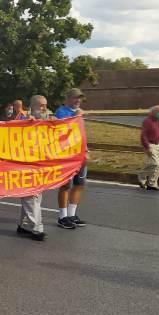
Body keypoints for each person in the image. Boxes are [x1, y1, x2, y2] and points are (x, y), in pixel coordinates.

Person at [17, 95, 52, 241]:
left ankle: (23, 225)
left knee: (36, 197)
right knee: (31, 196)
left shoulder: (47, 121)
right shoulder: (23, 121)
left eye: (45, 105)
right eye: (40, 106)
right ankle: (37, 228)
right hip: (26, 166)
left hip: (40, 165)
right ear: (32, 107)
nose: (43, 108)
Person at [55, 88, 88, 229]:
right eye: (75, 98)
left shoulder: (78, 113)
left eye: (79, 98)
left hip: (80, 153)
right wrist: (77, 115)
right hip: (66, 155)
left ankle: (72, 214)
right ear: (67, 99)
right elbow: (64, 129)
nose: (78, 101)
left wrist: (86, 149)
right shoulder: (61, 112)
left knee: (79, 184)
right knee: (65, 185)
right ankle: (62, 217)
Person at [137, 106, 159, 191]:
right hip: (150, 144)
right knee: (155, 164)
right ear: (153, 112)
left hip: (158, 145)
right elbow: (143, 135)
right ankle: (141, 176)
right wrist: (147, 146)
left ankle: (152, 184)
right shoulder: (147, 121)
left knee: (158, 166)